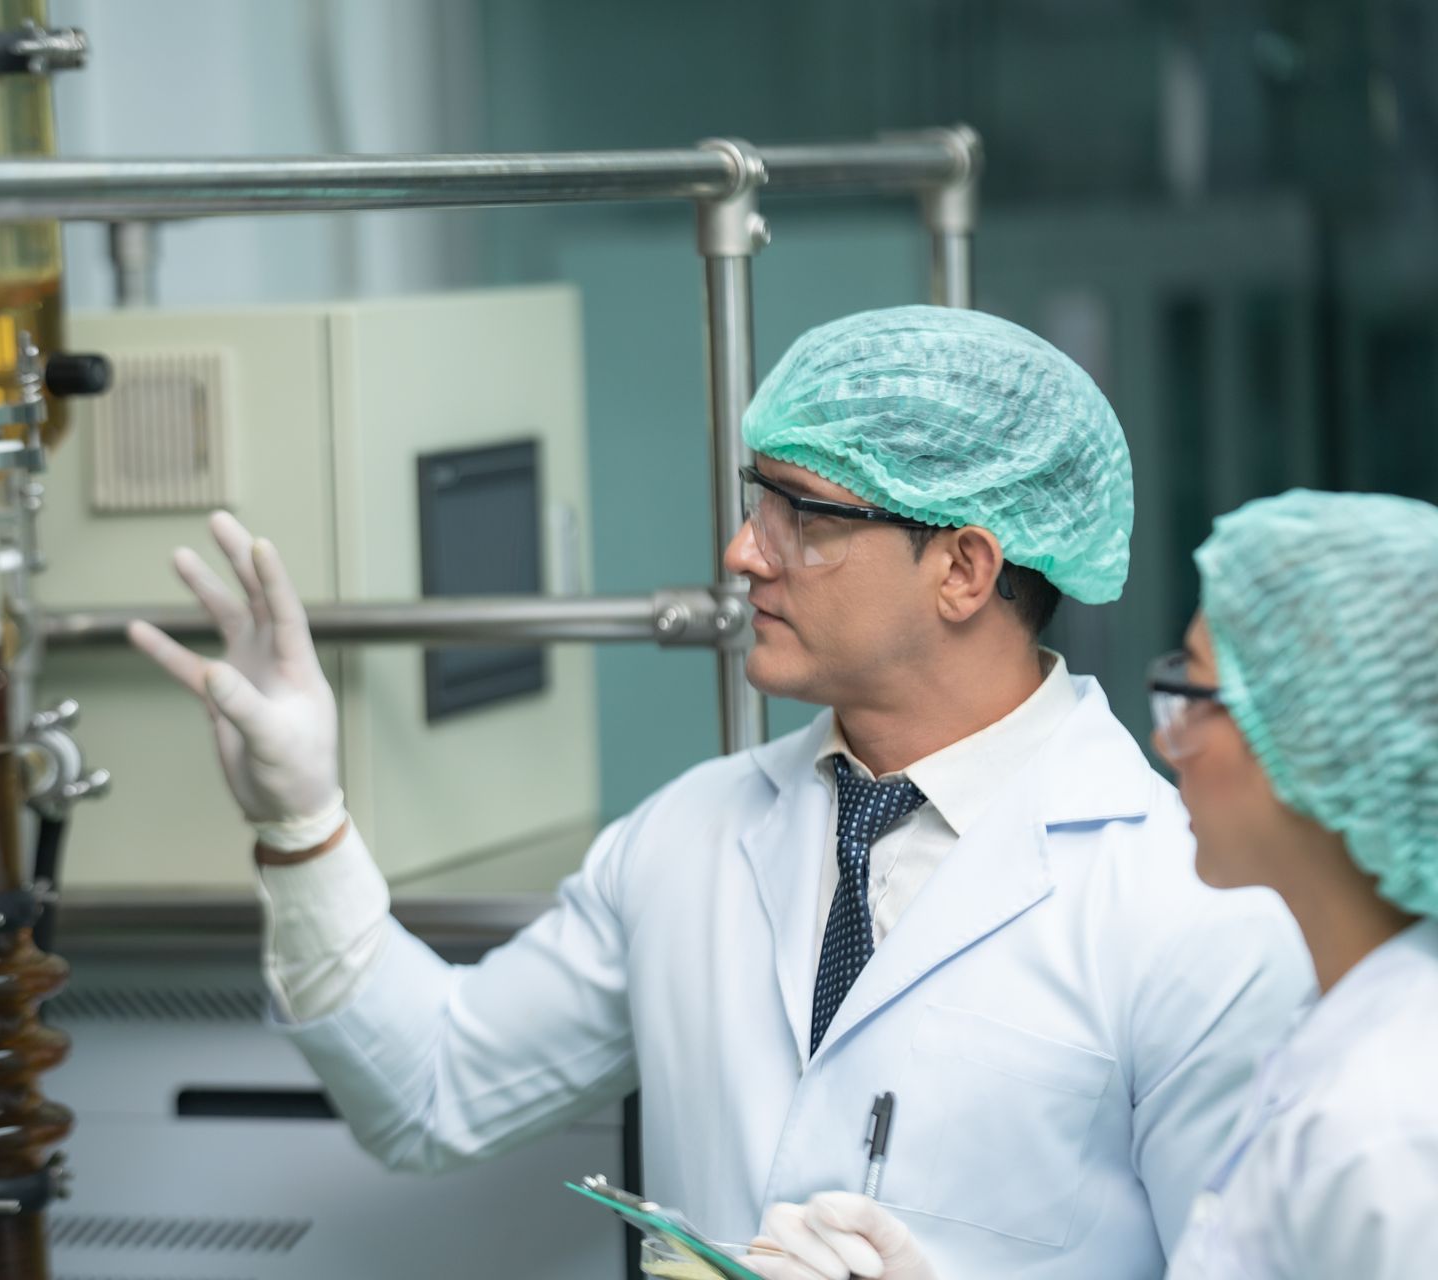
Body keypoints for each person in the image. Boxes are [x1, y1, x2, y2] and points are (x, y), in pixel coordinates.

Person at [128, 306, 1312, 1277]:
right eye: (759, 500)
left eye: (805, 514)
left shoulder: (1193, 905)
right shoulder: (688, 837)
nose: (746, 552)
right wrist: (301, 824)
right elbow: (432, 1093)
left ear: (964, 566)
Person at [750, 488, 1438, 1280]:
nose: (1164, 739)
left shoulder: (1393, 1120)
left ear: (1320, 748)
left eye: (1194, 692)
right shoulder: (1351, 1043)